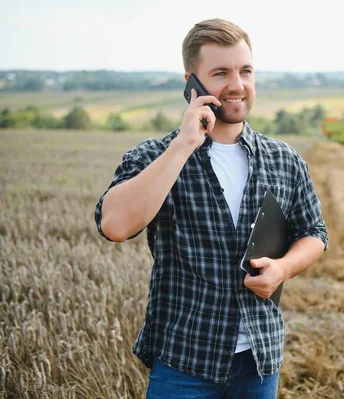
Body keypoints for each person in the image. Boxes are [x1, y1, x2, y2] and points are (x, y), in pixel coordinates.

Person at [94, 18, 328, 398]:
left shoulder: (284, 160)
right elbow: (114, 225)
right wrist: (184, 144)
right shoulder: (155, 156)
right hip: (185, 363)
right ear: (192, 83)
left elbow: (315, 233)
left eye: (245, 71)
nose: (237, 85)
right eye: (221, 73)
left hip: (259, 361)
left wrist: (282, 268)